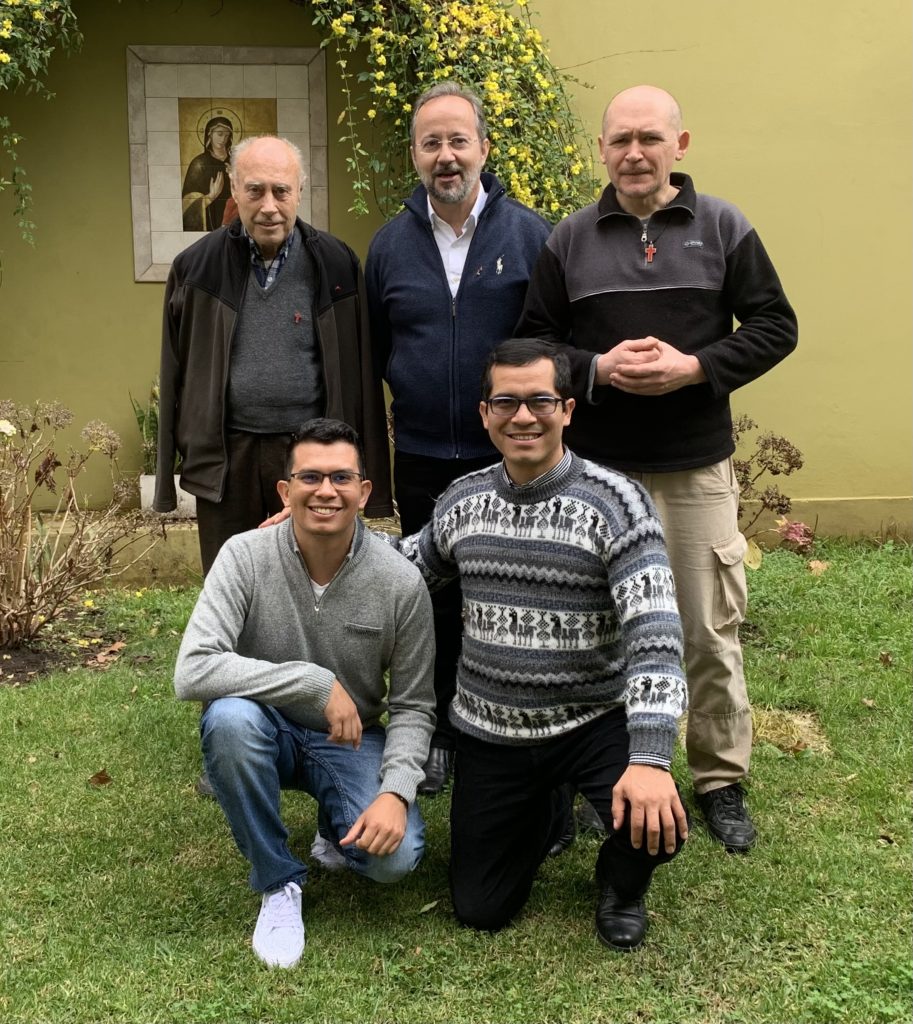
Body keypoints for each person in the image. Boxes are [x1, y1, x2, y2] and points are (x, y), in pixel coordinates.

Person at [517, 85, 798, 853]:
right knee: (596, 630)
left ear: (680, 144)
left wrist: (695, 368)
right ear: (601, 150)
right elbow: (534, 342)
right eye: (619, 140)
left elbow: (775, 326)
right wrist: (596, 369)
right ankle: (602, 773)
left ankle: (718, 778)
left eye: (648, 138)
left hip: (693, 468)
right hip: (596, 477)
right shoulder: (569, 239)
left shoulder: (723, 227)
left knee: (706, 630)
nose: (634, 153)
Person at [398, 339, 688, 951]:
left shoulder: (618, 502)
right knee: (480, 909)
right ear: (485, 414)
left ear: (567, 410)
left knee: (656, 822)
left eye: (540, 401)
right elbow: (404, 569)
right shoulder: (462, 500)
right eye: (506, 402)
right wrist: (321, 534)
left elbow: (655, 637)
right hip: (491, 731)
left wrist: (651, 761)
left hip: (590, 721)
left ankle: (620, 883)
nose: (523, 416)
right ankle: (544, 809)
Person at [173, 419, 435, 969]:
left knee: (394, 860)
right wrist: (314, 683)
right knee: (229, 720)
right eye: (310, 477)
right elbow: (193, 669)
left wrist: (396, 792)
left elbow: (414, 705)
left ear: (364, 491)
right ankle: (278, 882)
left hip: (349, 740)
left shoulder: (400, 581)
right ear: (285, 490)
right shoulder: (244, 556)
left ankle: (335, 824)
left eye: (341, 477)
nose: (325, 491)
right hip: (262, 726)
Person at [366, 82, 552, 795]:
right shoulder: (389, 246)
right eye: (430, 143)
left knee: (512, 592)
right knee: (430, 598)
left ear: (483, 148)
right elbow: (375, 349)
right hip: (420, 455)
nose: (445, 156)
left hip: (508, 453)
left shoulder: (531, 236)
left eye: (457, 140)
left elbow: (551, 346)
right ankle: (439, 729)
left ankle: (513, 730)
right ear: (414, 155)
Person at [156, 134, 393, 574]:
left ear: (299, 191)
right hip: (227, 458)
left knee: (312, 580)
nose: (269, 206)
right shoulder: (196, 267)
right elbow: (174, 370)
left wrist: (364, 473)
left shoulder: (337, 264)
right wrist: (168, 480)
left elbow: (362, 375)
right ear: (233, 189)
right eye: (255, 190)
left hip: (311, 456)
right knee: (231, 582)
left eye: (281, 191)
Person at [181, 115, 233, 231]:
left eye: (226, 135)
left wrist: (236, 176)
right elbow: (186, 203)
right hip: (210, 220)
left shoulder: (235, 161)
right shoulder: (199, 163)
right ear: (210, 134)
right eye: (220, 134)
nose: (223, 139)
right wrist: (210, 197)